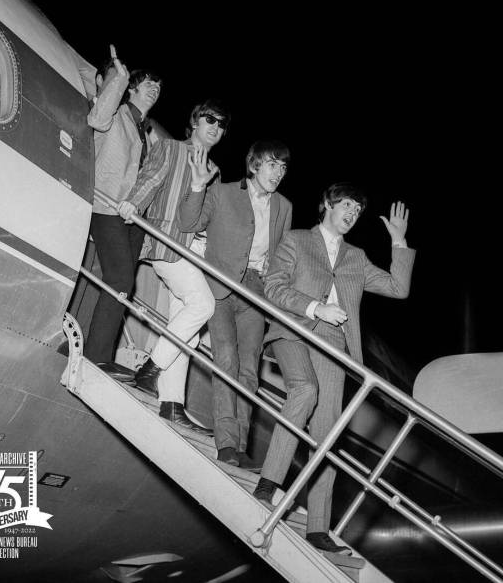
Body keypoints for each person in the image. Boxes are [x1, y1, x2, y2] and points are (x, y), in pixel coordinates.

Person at [253, 183, 415, 554]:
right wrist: (315, 307)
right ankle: (268, 482)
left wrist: (400, 243)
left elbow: (397, 288)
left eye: (357, 211)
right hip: (294, 330)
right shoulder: (295, 240)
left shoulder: (356, 257)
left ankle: (318, 527)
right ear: (326, 204)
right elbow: (273, 287)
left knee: (328, 432)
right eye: (346, 206)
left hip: (334, 344)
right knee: (304, 390)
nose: (351, 214)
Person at [118, 100, 231, 435]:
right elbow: (151, 178)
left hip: (193, 250)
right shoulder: (171, 148)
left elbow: (207, 215)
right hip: (166, 241)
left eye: (221, 124)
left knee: (188, 331)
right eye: (209, 119)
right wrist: (133, 204)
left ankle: (171, 403)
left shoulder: (214, 171)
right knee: (203, 305)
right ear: (194, 121)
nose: (215, 126)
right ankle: (150, 369)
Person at [178, 140, 292, 468]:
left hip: (256, 293)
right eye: (272, 164)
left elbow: (281, 254)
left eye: (283, 168)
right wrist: (198, 184)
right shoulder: (223, 193)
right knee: (226, 359)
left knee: (249, 369)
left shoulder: (284, 206)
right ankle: (226, 442)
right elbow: (189, 223)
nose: (279, 173)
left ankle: (240, 446)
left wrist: (276, 268)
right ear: (254, 165)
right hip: (221, 286)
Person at [83, 45, 162, 382]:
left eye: (159, 87)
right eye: (148, 83)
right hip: (107, 205)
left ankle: (101, 352)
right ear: (132, 88)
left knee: (123, 287)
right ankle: (95, 356)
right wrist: (120, 77)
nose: (155, 89)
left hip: (132, 217)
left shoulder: (146, 130)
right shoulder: (116, 112)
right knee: (119, 279)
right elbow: (96, 119)